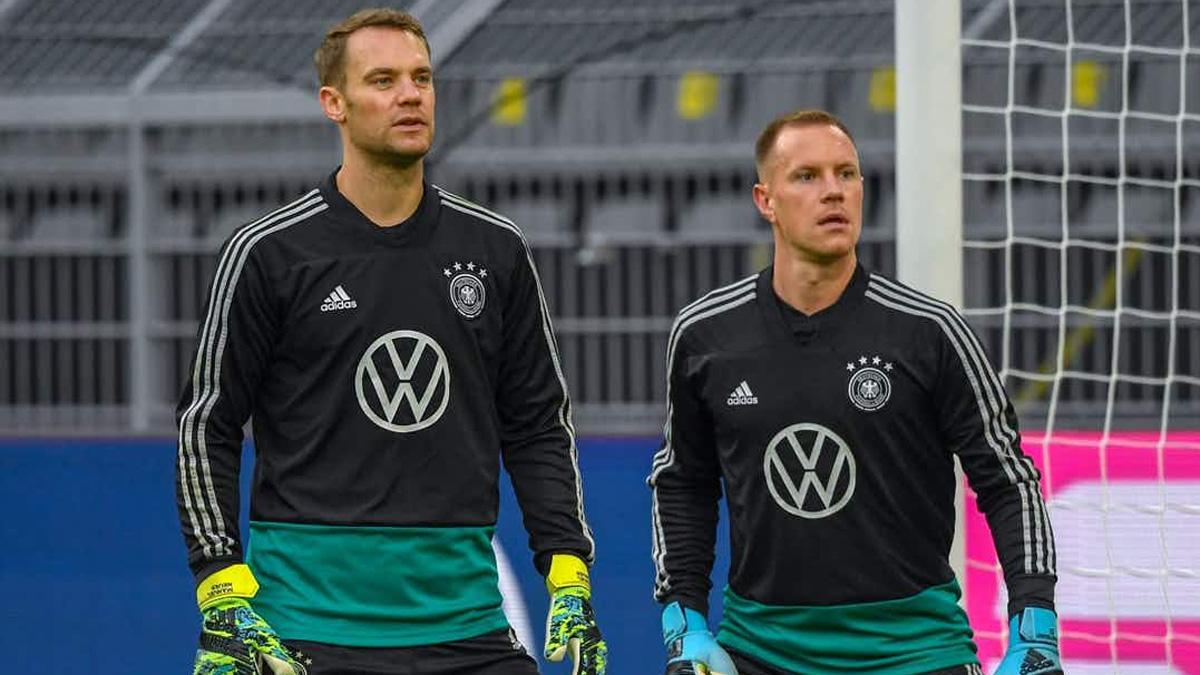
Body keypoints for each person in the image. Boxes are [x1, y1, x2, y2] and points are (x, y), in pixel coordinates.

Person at [177, 9, 606, 675]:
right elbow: (208, 424)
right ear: (335, 104)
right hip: (302, 627)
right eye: (383, 80)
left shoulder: (495, 250)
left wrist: (568, 567)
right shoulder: (267, 254)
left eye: (421, 78)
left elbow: (538, 424)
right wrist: (219, 584)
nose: (410, 94)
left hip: (466, 626)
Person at [647, 109, 1062, 675]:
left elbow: (1007, 478)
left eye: (847, 174)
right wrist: (685, 623)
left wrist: (1035, 622)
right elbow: (683, 486)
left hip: (916, 653)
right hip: (762, 652)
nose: (833, 192)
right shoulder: (705, 336)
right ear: (765, 200)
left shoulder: (929, 331)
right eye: (807, 176)